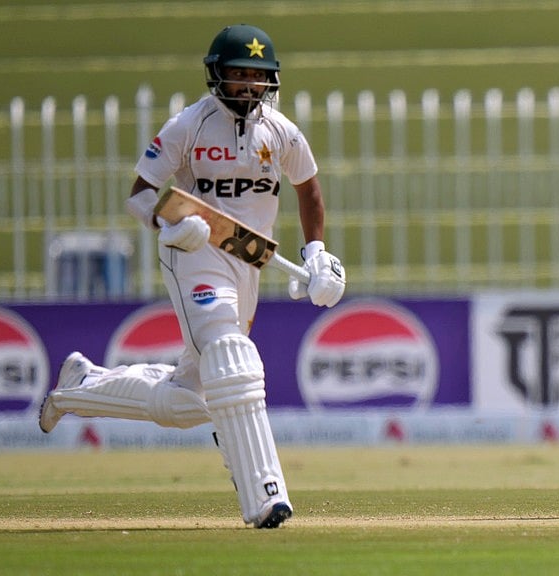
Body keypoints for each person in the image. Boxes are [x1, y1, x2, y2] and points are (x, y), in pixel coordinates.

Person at [38, 24, 346, 529]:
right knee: (232, 355)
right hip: (192, 254)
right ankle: (266, 497)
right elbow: (141, 195)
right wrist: (171, 225)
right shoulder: (189, 126)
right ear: (216, 75)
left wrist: (315, 254)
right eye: (238, 74)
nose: (248, 85)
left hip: (248, 261)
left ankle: (81, 385)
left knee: (187, 401)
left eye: (258, 76)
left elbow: (308, 190)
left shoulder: (282, 131)